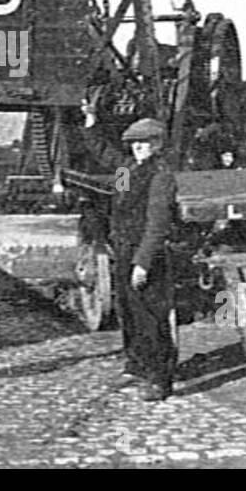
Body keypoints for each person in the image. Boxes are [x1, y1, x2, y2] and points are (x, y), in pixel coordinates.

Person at [80, 104, 179, 402]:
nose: (138, 148)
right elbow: (105, 154)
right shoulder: (129, 170)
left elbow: (157, 223)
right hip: (124, 251)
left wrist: (142, 263)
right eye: (134, 144)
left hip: (144, 256)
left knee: (151, 318)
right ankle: (136, 365)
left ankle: (159, 379)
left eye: (144, 143)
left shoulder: (160, 176)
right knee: (129, 313)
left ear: (157, 145)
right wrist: (91, 123)